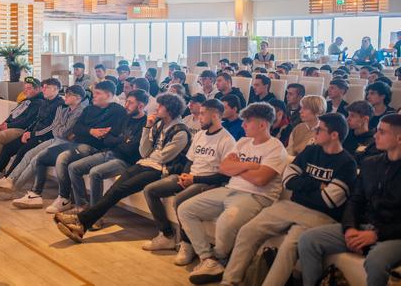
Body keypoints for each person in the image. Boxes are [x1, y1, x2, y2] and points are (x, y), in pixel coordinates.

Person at [221, 113, 357, 286]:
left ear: (334, 135)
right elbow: (288, 180)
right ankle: (229, 281)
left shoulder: (347, 163)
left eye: (319, 129)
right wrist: (318, 185)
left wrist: (302, 185)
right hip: (291, 205)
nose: (314, 132)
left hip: (321, 215)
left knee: (288, 247)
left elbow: (330, 200)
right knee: (248, 231)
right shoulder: (310, 151)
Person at [54, 93, 190, 242]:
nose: (157, 108)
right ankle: (82, 225)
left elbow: (163, 157)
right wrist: (147, 127)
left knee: (119, 190)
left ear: (170, 109)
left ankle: (80, 221)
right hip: (144, 163)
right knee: (114, 191)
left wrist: (148, 154)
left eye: (161, 106)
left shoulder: (181, 132)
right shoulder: (157, 125)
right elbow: (143, 151)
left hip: (160, 170)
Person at [179, 103, 289, 284]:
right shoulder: (243, 142)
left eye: (247, 121)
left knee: (225, 222)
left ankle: (220, 258)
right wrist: (250, 165)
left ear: (262, 125)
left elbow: (261, 179)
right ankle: (208, 259)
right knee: (185, 209)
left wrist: (237, 168)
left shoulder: (276, 148)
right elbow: (224, 168)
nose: (243, 125)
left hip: (256, 196)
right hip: (229, 190)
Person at [298, 114, 401, 286]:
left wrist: (376, 234)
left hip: (393, 235)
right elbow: (355, 201)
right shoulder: (370, 163)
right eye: (377, 131)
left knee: (376, 261)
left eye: (382, 132)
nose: (375, 136)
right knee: (308, 240)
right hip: (364, 225)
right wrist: (349, 228)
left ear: (399, 138)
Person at [142, 99, 235, 265]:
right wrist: (184, 176)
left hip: (208, 182)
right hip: (191, 177)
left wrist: (194, 179)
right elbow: (189, 161)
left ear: (215, 115)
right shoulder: (199, 135)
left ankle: (187, 244)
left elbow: (224, 176)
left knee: (179, 200)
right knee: (150, 190)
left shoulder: (227, 140)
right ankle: (167, 235)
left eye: (203, 114)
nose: (199, 117)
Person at [12, 80, 125, 212]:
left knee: (63, 158)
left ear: (108, 95)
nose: (93, 96)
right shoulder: (89, 108)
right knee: (41, 157)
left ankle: (64, 198)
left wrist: (89, 132)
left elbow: (108, 134)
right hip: (76, 143)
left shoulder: (118, 111)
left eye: (98, 93)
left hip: (92, 147)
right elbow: (77, 128)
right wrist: (91, 131)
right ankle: (35, 194)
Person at [0, 85, 89, 196]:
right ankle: (9, 180)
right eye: (66, 93)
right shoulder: (65, 108)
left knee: (36, 158)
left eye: (69, 94)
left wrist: (58, 130)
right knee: (28, 154)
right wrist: (59, 130)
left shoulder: (78, 111)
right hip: (55, 138)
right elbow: (56, 128)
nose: (66, 96)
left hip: (64, 143)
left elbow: (61, 131)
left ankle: (13, 187)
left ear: (78, 98)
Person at [68, 90, 148, 219]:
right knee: (73, 167)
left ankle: (94, 216)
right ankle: (81, 206)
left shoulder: (145, 124)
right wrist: (122, 140)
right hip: (109, 152)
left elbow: (131, 150)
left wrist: (116, 140)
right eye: (126, 101)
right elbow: (107, 139)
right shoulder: (124, 118)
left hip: (125, 161)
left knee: (95, 173)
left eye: (130, 103)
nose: (126, 105)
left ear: (141, 105)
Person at [0, 78, 64, 181]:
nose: (44, 90)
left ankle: (7, 179)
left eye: (47, 87)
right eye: (43, 87)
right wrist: (27, 132)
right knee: (7, 148)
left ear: (55, 89)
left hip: (44, 137)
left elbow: (53, 126)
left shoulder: (60, 105)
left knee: (21, 152)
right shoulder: (45, 102)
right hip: (33, 134)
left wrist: (32, 134)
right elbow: (36, 121)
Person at [0, 77, 44, 177]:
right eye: (25, 88)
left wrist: (8, 125)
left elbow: (26, 122)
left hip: (21, 130)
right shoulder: (26, 101)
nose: (25, 91)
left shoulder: (39, 103)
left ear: (38, 89)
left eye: (28, 88)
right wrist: (4, 123)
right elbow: (13, 114)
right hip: (10, 126)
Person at [343, 100, 378, 166]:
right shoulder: (345, 133)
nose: (347, 119)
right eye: (348, 115)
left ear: (365, 119)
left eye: (352, 116)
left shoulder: (372, 141)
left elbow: (357, 160)